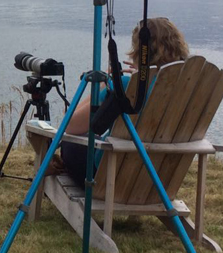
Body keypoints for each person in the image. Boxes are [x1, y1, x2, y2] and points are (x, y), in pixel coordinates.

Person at [58, 17, 189, 185]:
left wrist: (105, 82)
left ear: (140, 51)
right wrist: (144, 75)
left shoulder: (128, 87)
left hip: (111, 175)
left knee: (68, 143)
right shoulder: (184, 88)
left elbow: (70, 125)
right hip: (158, 179)